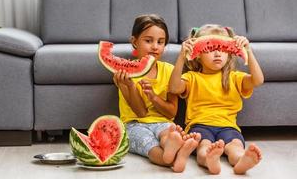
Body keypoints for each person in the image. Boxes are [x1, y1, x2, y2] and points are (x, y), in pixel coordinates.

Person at [169, 24, 263, 174]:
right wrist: (181, 56)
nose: (218, 53)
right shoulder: (192, 78)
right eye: (210, 48)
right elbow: (174, 88)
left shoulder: (234, 78)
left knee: (235, 146)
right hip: (199, 125)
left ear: (230, 53)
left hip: (228, 127)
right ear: (197, 54)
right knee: (203, 146)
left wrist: (248, 51)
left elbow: (258, 80)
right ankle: (209, 159)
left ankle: (241, 161)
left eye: (223, 49)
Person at [113, 14, 200, 172]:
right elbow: (140, 112)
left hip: (163, 122)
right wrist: (130, 86)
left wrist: (153, 97)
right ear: (134, 42)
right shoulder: (124, 74)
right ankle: (171, 158)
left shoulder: (169, 71)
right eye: (148, 41)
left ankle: (172, 148)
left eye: (160, 42)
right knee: (150, 147)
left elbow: (171, 112)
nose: (155, 46)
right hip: (133, 125)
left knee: (168, 135)